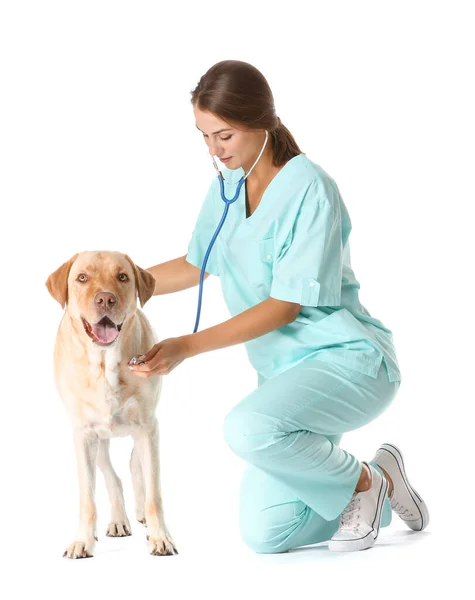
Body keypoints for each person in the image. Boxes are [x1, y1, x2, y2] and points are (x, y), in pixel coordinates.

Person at [129, 60, 429, 554]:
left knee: (245, 428)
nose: (213, 150)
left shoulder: (310, 187)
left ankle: (360, 484)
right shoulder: (228, 185)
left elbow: (285, 307)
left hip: (349, 363)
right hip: (287, 380)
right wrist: (118, 285)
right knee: (268, 534)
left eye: (223, 135)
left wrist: (187, 345)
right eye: (204, 137)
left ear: (261, 121)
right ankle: (381, 479)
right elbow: (195, 263)